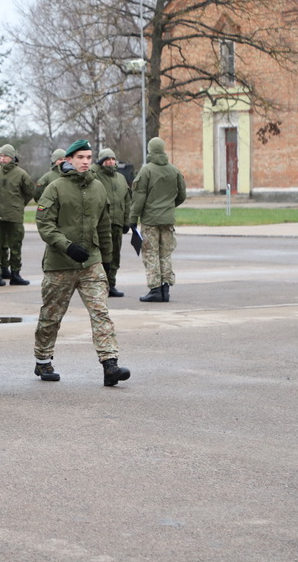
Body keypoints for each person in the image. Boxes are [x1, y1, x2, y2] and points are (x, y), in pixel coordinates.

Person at [32, 139, 130, 386]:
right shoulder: (55, 188)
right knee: (51, 316)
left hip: (91, 263)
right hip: (60, 263)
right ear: (69, 160)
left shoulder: (98, 188)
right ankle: (43, 360)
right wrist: (67, 246)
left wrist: (106, 260)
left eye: (88, 157)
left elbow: (104, 226)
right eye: (80, 158)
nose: (85, 162)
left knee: (100, 312)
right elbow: (44, 224)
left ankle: (110, 364)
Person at [129, 136, 186, 303]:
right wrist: (169, 207)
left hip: (150, 221)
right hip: (168, 220)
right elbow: (182, 195)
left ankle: (155, 289)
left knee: (151, 253)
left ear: (150, 150)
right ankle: (165, 288)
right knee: (165, 253)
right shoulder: (174, 170)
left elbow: (139, 198)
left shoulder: (146, 171)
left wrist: (133, 218)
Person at [0, 144, 35, 286]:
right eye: (1, 156)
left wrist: (19, 204)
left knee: (15, 246)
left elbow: (30, 192)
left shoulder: (21, 174)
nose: (2, 159)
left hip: (14, 216)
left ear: (12, 157)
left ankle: (15, 274)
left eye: (5, 156)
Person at [93, 148, 132, 298]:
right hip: (102, 224)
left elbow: (127, 201)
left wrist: (126, 221)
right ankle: (100, 285)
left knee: (115, 255)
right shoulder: (96, 176)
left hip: (117, 223)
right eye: (106, 159)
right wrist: (97, 165)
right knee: (103, 255)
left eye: (112, 159)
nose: (110, 162)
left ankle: (111, 284)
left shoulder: (121, 178)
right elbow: (87, 174)